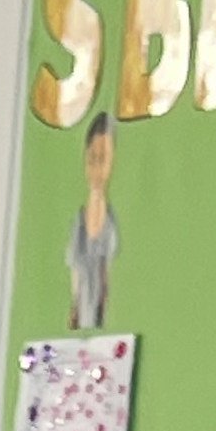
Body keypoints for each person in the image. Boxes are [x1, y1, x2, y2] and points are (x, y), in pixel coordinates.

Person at [65, 112, 120, 334]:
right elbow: (75, 270)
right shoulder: (79, 221)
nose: (97, 169)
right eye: (92, 159)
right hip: (83, 315)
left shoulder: (110, 222)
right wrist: (74, 307)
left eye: (103, 158)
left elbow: (109, 273)